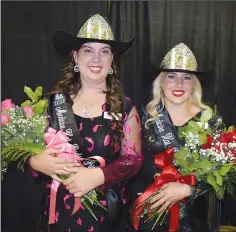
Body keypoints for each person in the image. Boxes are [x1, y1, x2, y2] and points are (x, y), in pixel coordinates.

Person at [3, 14, 143, 232]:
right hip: (59, 213)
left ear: (112, 61)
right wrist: (34, 161)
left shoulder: (125, 108)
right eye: (88, 50)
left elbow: (133, 160)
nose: (96, 59)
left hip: (106, 215)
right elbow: (26, 149)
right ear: (76, 57)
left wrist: (99, 176)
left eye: (104, 52)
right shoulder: (51, 104)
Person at [129, 43, 222, 232]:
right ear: (160, 83)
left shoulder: (211, 122)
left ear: (194, 84)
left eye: (187, 77)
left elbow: (222, 175)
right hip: (149, 217)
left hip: (195, 221)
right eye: (171, 76)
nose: (179, 84)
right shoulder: (141, 117)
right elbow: (128, 164)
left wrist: (189, 189)